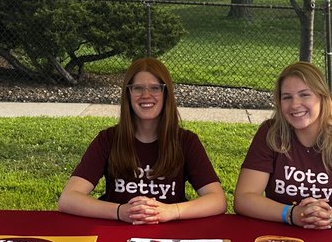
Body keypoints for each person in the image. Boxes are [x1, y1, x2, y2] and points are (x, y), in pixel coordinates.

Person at [58, 58, 226, 223]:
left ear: (166, 93)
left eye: (155, 88)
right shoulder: (108, 139)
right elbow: (68, 199)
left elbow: (217, 200)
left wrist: (171, 211)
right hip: (118, 231)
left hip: (169, 234)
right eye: (138, 88)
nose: (146, 95)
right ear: (128, 94)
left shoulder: (186, 141)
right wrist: (120, 211)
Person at [234, 61, 332, 229]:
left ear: (322, 96)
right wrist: (291, 214)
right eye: (287, 97)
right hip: (280, 233)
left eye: (304, 95)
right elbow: (244, 198)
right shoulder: (271, 133)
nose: (295, 104)